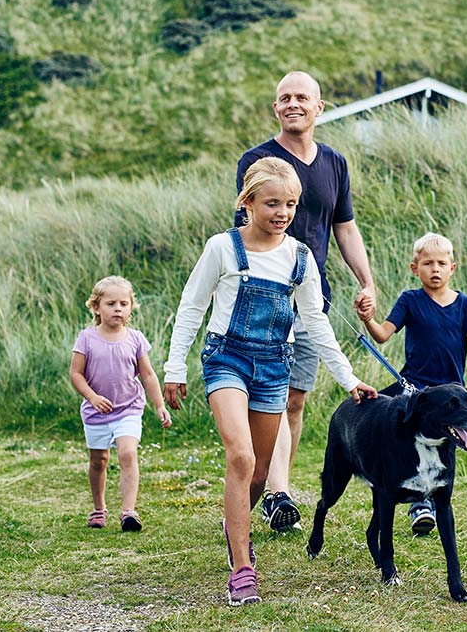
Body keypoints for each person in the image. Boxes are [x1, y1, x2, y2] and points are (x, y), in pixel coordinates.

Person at [162, 157, 378, 606]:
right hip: (227, 359)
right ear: (248, 202)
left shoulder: (299, 257)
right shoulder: (222, 248)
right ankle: (242, 568)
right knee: (240, 456)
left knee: (260, 471)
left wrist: (348, 378)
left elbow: (316, 322)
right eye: (272, 203)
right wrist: (174, 367)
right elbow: (191, 307)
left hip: (274, 365)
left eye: (291, 205)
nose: (282, 213)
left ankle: (234, 520)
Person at [233, 71, 377, 533]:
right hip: (265, 301)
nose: (293, 103)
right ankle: (273, 491)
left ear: (320, 107)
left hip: (313, 300)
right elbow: (243, 228)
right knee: (268, 402)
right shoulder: (257, 160)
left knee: (294, 401)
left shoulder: (334, 163)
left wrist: (366, 281)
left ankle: (279, 490)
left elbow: (345, 227)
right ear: (276, 108)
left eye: (302, 97)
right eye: (284, 98)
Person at [355, 232, 467, 535]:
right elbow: (383, 334)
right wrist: (367, 319)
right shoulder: (410, 300)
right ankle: (416, 501)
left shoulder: (465, 305)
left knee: (445, 451)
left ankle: (432, 499)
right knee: (405, 446)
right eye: (427, 263)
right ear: (415, 269)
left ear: (453, 268)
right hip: (415, 394)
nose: (435, 269)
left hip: (453, 399)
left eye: (442, 263)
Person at [69, 275, 173, 533]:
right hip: (96, 413)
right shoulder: (87, 338)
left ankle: (129, 512)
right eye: (111, 303)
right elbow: (76, 374)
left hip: (128, 409)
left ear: (131, 308)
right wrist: (92, 397)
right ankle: (98, 508)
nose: (118, 308)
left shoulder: (135, 339)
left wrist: (159, 405)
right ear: (96, 307)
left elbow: (148, 375)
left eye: (124, 304)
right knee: (98, 460)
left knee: (128, 453)